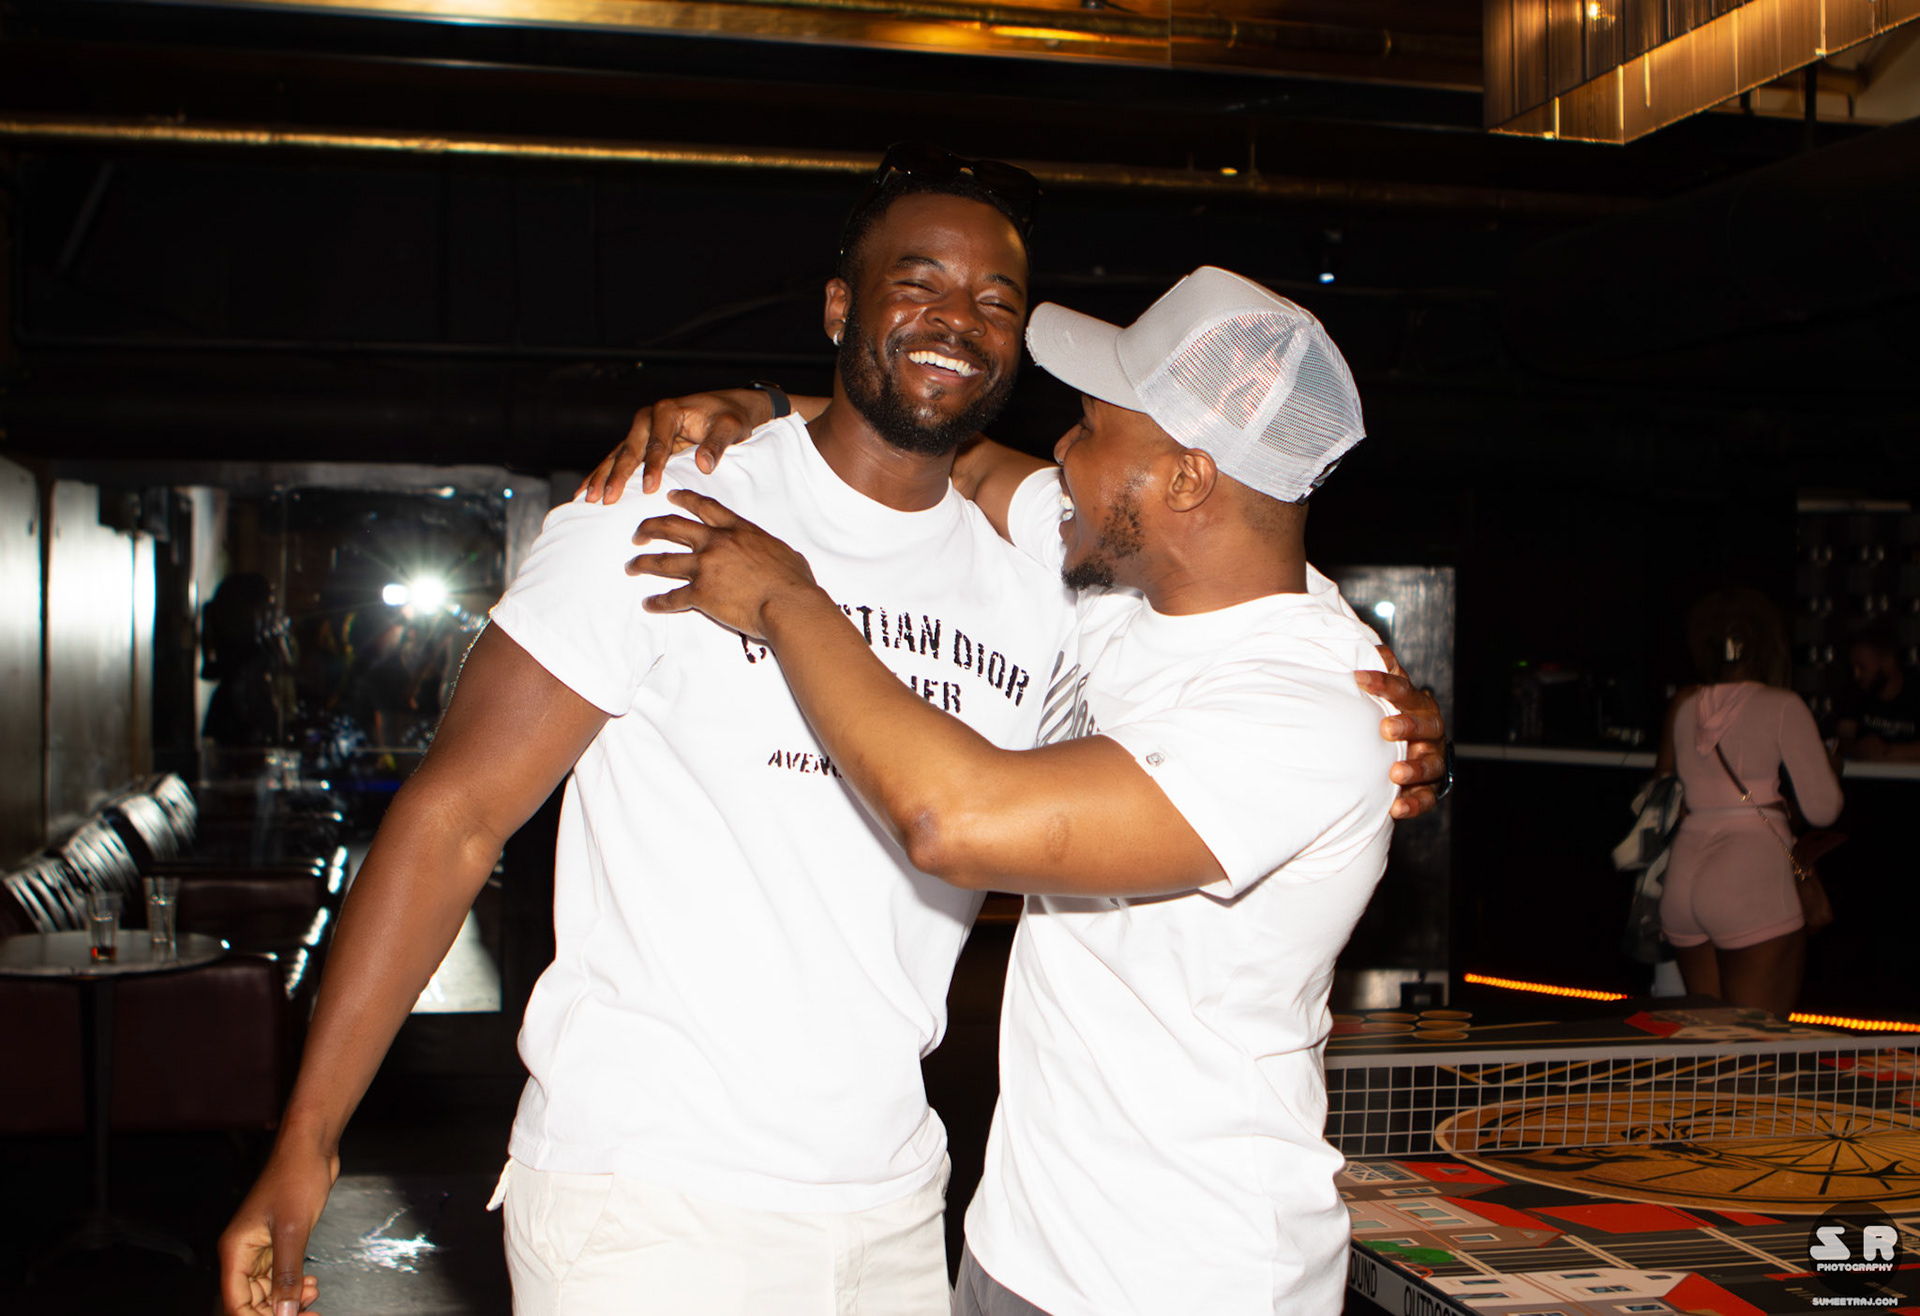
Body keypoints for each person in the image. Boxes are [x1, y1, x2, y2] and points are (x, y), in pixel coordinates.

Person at [219, 149, 1445, 1316]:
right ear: (838, 304)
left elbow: (1014, 779)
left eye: (996, 301)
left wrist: (1376, 711)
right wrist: (307, 1136)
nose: (961, 321)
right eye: (919, 283)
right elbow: (455, 817)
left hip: (908, 1211)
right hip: (649, 1195)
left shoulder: (1076, 589)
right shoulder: (677, 503)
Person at [621, 266, 1413, 1315]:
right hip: (1025, 1248)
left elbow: (954, 819)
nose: (1063, 452)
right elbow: (972, 462)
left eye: (1090, 426)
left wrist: (784, 601)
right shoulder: (1131, 585)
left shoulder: (1304, 709)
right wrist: (764, 406)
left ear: (1185, 480)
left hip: (1188, 1278)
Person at [1654, 589, 1842, 1019]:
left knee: (1708, 1040)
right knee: (1758, 1042)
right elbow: (1823, 809)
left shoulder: (1686, 708)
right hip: (1750, 877)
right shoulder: (1783, 705)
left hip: (1684, 875)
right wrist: (1830, 769)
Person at [1836, 620, 1920, 762]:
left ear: (1887, 662)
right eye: (1853, 668)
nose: (1856, 675)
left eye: (1862, 667)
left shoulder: (1915, 689)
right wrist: (1858, 749)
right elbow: (1842, 741)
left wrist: (1888, 752)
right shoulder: (1852, 691)